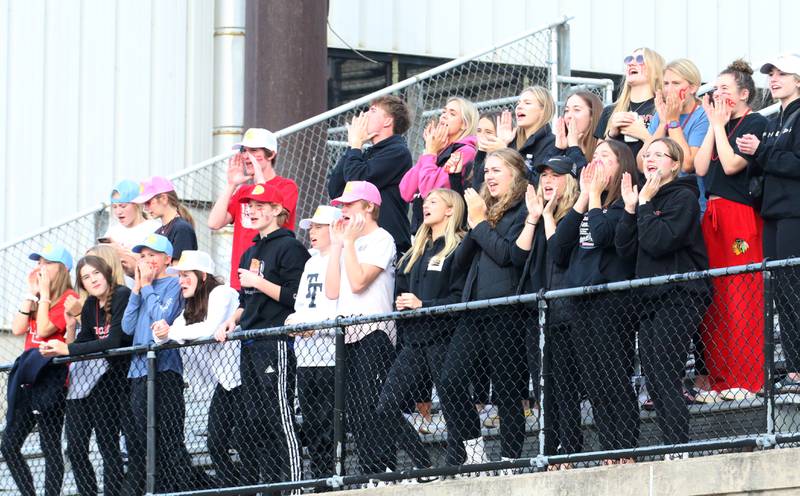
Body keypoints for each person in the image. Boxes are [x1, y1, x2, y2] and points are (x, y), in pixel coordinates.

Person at [324, 180, 430, 475]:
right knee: (356, 411)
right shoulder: (348, 243)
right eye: (341, 206)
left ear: (369, 207)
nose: (343, 211)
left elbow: (358, 283)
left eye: (349, 205)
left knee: (377, 406)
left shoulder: (382, 239)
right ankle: (375, 471)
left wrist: (346, 244)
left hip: (375, 333)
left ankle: (416, 464)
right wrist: (337, 246)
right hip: (346, 335)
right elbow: (332, 291)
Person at [616, 138, 711, 452]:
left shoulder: (682, 196)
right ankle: (672, 446)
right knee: (654, 379)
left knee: (666, 374)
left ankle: (677, 450)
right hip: (650, 297)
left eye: (659, 154)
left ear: (674, 163)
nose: (650, 158)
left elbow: (659, 241)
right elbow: (625, 249)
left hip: (681, 294)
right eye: (647, 154)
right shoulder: (644, 197)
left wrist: (645, 205)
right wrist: (632, 208)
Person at [548, 140, 640, 461]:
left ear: (621, 165)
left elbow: (603, 236)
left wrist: (597, 198)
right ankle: (609, 450)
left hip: (611, 301)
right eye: (594, 157)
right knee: (594, 381)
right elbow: (558, 250)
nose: (596, 162)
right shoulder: (589, 202)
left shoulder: (624, 204)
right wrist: (584, 199)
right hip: (580, 301)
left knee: (613, 376)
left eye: (605, 157)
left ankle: (626, 447)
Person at [438, 148, 528, 466]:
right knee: (449, 380)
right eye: (486, 171)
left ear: (515, 173)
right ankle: (474, 454)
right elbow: (457, 265)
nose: (488, 176)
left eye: (496, 170)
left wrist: (478, 225)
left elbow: (507, 256)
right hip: (473, 309)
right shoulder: (483, 210)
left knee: (506, 390)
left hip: (505, 309)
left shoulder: (522, 208)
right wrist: (474, 224)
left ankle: (509, 459)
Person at [216, 183, 310, 486]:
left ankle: (295, 486)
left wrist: (259, 281)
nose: (251, 211)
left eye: (259, 205)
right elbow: (247, 301)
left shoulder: (290, 247)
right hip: (250, 342)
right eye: (249, 206)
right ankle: (268, 486)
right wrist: (232, 320)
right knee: (255, 422)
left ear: (276, 210)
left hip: (277, 342)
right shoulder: (250, 250)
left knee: (279, 418)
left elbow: (298, 297)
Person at [376, 188, 468, 464]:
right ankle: (423, 464)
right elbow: (401, 292)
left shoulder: (460, 246)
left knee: (454, 403)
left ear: (451, 209)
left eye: (433, 202)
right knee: (386, 406)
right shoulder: (416, 251)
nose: (425, 206)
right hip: (414, 341)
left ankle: (460, 459)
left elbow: (460, 297)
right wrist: (403, 305)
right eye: (425, 202)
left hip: (445, 337)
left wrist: (422, 304)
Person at [694, 60, 768, 398]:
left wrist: (720, 126)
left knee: (742, 295)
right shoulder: (718, 123)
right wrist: (713, 125)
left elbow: (731, 164)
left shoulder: (755, 121)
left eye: (725, 89)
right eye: (716, 88)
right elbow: (699, 166)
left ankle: (748, 378)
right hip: (713, 213)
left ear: (743, 94)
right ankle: (721, 378)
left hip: (739, 214)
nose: (718, 94)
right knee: (717, 298)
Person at [39, 255, 132, 496]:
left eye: (96, 274)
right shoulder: (90, 304)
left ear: (106, 273)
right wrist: (66, 336)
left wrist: (68, 349)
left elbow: (113, 341)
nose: (92, 280)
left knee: (107, 446)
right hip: (87, 382)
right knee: (76, 448)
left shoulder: (122, 295)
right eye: (86, 278)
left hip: (114, 382)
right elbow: (85, 340)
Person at [151, 250, 243, 488]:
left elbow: (208, 328)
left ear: (203, 276)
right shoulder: (190, 305)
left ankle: (251, 485)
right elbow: (165, 337)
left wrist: (170, 332)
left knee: (246, 439)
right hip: (224, 383)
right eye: (179, 276)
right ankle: (234, 489)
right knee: (216, 442)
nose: (180, 281)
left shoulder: (221, 293)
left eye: (185, 275)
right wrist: (162, 330)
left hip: (244, 378)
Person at [738, 53, 800, 394]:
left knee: (795, 290)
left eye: (782, 73)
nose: (774, 79)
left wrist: (761, 152)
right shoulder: (775, 117)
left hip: (795, 213)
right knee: (783, 293)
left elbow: (795, 163)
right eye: (771, 74)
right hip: (774, 213)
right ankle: (793, 371)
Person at [512, 156, 581, 459]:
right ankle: (549, 450)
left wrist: (550, 217)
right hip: (535, 313)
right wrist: (534, 216)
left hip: (565, 313)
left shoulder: (576, 214)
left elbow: (562, 257)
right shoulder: (536, 215)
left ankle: (568, 450)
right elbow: (517, 258)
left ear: (571, 179)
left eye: (556, 175)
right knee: (543, 391)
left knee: (564, 387)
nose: (548, 180)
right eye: (544, 176)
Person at [2, 243, 77, 496]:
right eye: (38, 263)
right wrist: (31, 293)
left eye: (47, 263)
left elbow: (45, 329)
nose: (40, 268)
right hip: (29, 378)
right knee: (9, 444)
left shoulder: (70, 298)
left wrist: (43, 294)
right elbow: (17, 328)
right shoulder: (38, 297)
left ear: (63, 269)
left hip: (52, 380)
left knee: (49, 444)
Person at [121, 233, 194, 493]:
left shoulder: (175, 284)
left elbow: (163, 316)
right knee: (144, 438)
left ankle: (183, 488)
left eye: (153, 255)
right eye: (143, 256)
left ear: (167, 259)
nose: (147, 260)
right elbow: (127, 326)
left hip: (164, 369)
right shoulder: (142, 288)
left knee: (169, 438)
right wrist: (138, 289)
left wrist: (149, 287)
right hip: (139, 370)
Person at [283, 205, 341, 482]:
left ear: (334, 229)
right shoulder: (310, 262)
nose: (312, 232)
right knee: (313, 423)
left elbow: (343, 305)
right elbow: (300, 304)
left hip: (331, 355)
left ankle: (333, 478)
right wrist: (295, 323)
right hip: (306, 357)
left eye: (319, 227)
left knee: (330, 424)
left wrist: (313, 327)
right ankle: (319, 479)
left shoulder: (340, 258)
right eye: (311, 228)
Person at [207, 127, 299, 289]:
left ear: (270, 154)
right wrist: (231, 185)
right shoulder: (243, 191)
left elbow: (277, 219)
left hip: (270, 277)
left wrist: (259, 178)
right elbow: (214, 223)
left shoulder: (286, 186)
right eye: (244, 150)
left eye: (254, 151)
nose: (246, 156)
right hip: (241, 278)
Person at [327, 95, 414, 254]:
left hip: (388, 243)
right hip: (360, 241)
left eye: (372, 111)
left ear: (388, 121)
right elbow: (336, 190)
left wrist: (355, 147)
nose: (365, 115)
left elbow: (356, 183)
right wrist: (352, 146)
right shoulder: (365, 152)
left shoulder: (397, 152)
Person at [400, 97, 478, 230]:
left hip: (447, 231)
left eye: (452, 114)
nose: (444, 117)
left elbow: (430, 191)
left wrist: (431, 152)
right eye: (444, 112)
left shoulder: (466, 151)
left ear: (464, 124)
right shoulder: (436, 150)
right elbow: (406, 191)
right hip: (423, 230)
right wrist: (430, 152)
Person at [596, 47, 666, 159]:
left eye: (640, 59)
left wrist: (644, 135)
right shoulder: (610, 111)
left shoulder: (662, 109)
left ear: (656, 71)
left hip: (647, 175)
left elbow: (669, 153)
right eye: (629, 60)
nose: (631, 63)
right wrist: (611, 133)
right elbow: (598, 158)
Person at [483, 87, 556, 183]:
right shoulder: (511, 141)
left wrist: (505, 152)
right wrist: (503, 144)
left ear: (543, 110)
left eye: (527, 103)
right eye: (518, 103)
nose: (519, 107)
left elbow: (537, 183)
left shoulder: (552, 143)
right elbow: (481, 182)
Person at [101, 179, 161, 283]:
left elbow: (157, 265)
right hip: (118, 291)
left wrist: (122, 252)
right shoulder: (113, 231)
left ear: (137, 204)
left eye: (123, 206)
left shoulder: (153, 228)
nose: (118, 212)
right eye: (114, 207)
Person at [132, 176, 198, 260]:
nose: (145, 208)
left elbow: (177, 270)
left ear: (164, 199)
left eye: (148, 202)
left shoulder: (182, 229)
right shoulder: (158, 232)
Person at [549, 91, 604, 169]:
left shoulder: (603, 148)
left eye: (577, 110)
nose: (569, 116)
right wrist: (558, 149)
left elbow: (583, 177)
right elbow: (544, 177)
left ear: (592, 115)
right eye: (566, 111)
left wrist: (574, 148)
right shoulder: (561, 146)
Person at [468, 110, 500, 191]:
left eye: (488, 132)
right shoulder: (474, 161)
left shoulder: (504, 161)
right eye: (479, 131)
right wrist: (455, 176)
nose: (481, 136)